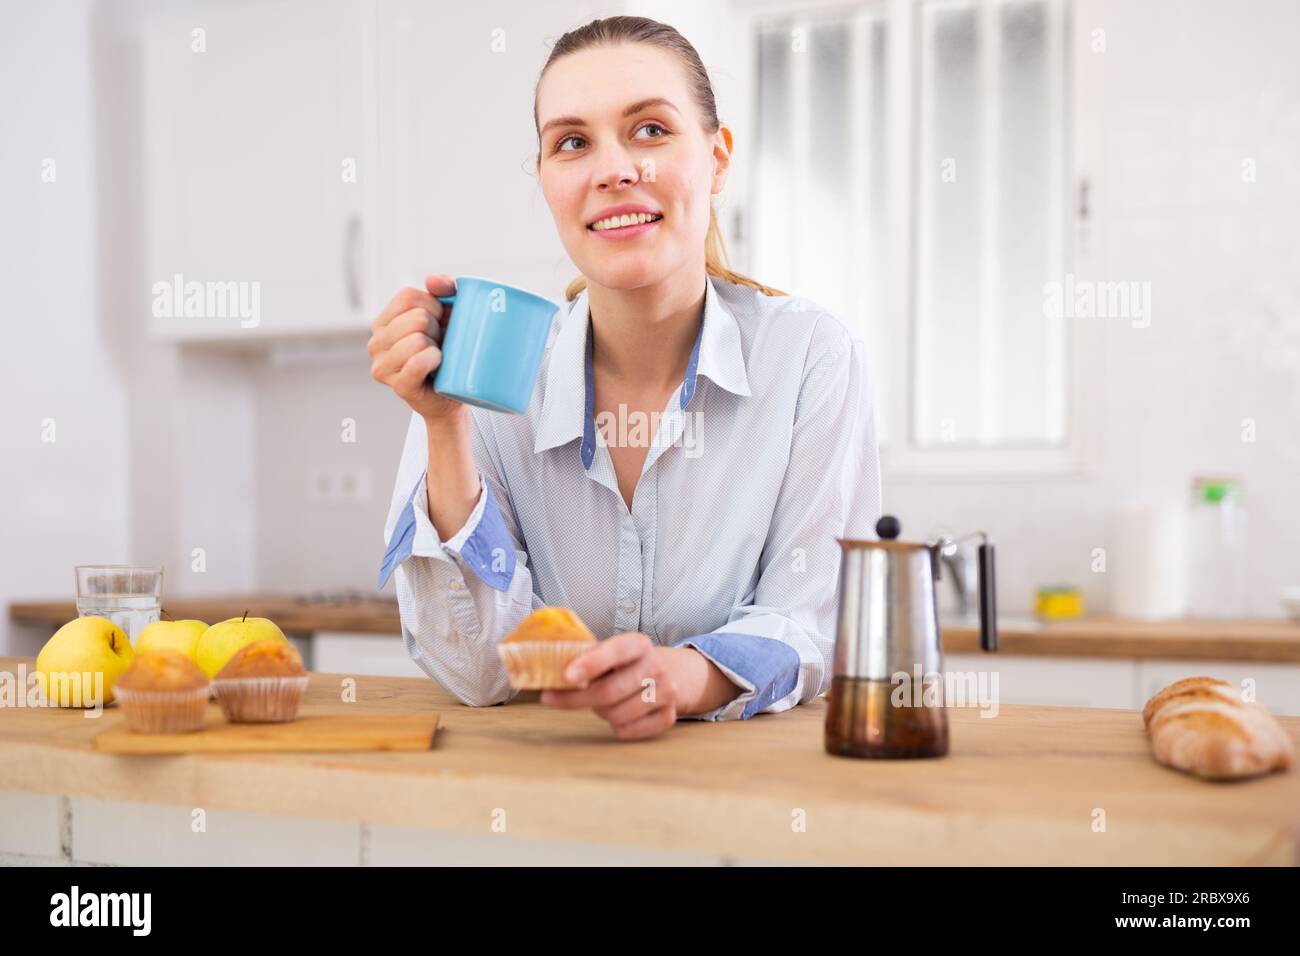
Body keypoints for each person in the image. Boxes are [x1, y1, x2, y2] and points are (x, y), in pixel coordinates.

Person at [369, 16, 881, 740]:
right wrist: (444, 426)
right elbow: (478, 673)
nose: (612, 170)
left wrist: (686, 676)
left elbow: (813, 617)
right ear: (547, 179)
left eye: (649, 130)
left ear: (718, 157)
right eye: (572, 142)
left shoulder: (809, 357)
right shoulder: (487, 372)